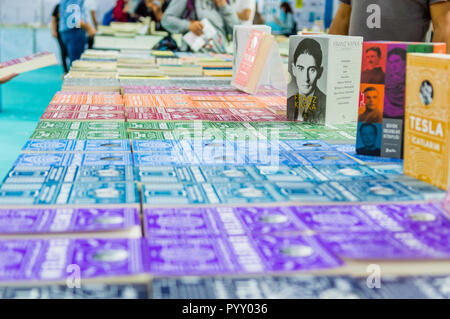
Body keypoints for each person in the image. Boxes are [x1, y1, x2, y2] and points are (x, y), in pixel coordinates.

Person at [329, 1, 450, 53]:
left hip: (404, 74)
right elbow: (342, 18)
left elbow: (444, 27)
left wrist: (428, 79)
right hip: (354, 72)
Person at [161, 0, 240, 54]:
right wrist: (188, 25)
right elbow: (166, 20)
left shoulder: (227, 2)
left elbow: (236, 31)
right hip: (194, 56)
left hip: (219, 55)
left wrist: (224, 6)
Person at [287, 38, 327, 124]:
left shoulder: (327, 106)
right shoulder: (289, 103)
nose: (306, 78)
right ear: (294, 69)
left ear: (320, 72)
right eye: (301, 69)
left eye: (312, 70)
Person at [59, 0, 97, 66]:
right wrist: (89, 28)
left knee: (74, 61)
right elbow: (73, 19)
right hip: (74, 31)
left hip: (68, 30)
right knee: (76, 64)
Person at [384, 48, 407, 118]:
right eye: (391, 63)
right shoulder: (387, 82)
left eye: (397, 61)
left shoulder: (412, 80)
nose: (393, 66)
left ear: (405, 62)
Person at [51, 4, 69, 73]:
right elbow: (53, 19)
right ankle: (65, 70)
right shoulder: (59, 6)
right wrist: (54, 30)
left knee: (69, 51)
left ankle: (70, 68)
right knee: (63, 50)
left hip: (69, 32)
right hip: (60, 33)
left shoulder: (71, 6)